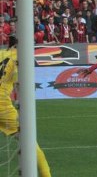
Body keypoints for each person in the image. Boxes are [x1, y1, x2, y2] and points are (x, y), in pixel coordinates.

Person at [0, 37, 52, 177]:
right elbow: (20, 83)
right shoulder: (20, 58)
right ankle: (46, 175)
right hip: (2, 106)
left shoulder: (1, 53)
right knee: (28, 140)